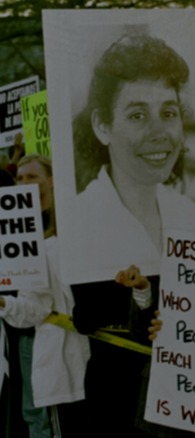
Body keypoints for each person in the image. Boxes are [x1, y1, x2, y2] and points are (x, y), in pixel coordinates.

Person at [69, 33, 195, 280]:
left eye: (168, 113)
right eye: (137, 115)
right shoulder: (78, 223)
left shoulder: (188, 215)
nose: (159, 133)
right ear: (102, 126)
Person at [0, 154, 91, 437]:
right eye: (20, 177)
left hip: (89, 353)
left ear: (51, 181)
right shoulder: (27, 235)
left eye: (31, 176)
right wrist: (4, 302)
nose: (23, 183)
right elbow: (34, 305)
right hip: (54, 348)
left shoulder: (81, 228)